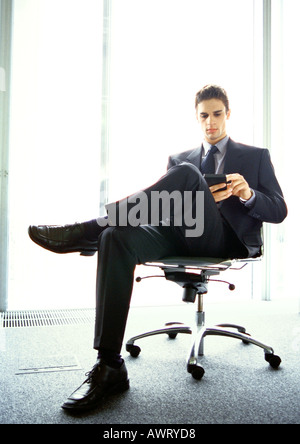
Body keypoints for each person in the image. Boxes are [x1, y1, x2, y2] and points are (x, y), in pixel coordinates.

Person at [28, 85, 287, 412]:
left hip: (223, 241)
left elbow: (279, 210)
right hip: (178, 233)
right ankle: (109, 365)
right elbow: (159, 208)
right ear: (197, 117)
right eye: (204, 115)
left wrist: (248, 194)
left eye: (217, 114)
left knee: (187, 175)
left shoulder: (255, 156)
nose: (211, 122)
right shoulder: (180, 159)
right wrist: (194, 200)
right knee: (117, 236)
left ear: (228, 114)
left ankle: (90, 229)